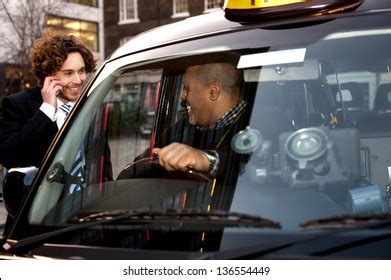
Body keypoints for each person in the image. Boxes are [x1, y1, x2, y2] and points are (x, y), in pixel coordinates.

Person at [0, 29, 96, 169]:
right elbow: (10, 157)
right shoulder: (18, 104)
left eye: (81, 71)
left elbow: (101, 156)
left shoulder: (89, 101)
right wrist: (46, 110)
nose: (78, 80)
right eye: (68, 73)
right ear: (48, 74)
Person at [153, 62, 248, 177]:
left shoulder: (258, 123)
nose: (182, 96)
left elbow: (247, 167)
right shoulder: (181, 128)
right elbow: (142, 162)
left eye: (186, 88)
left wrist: (207, 161)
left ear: (213, 92)